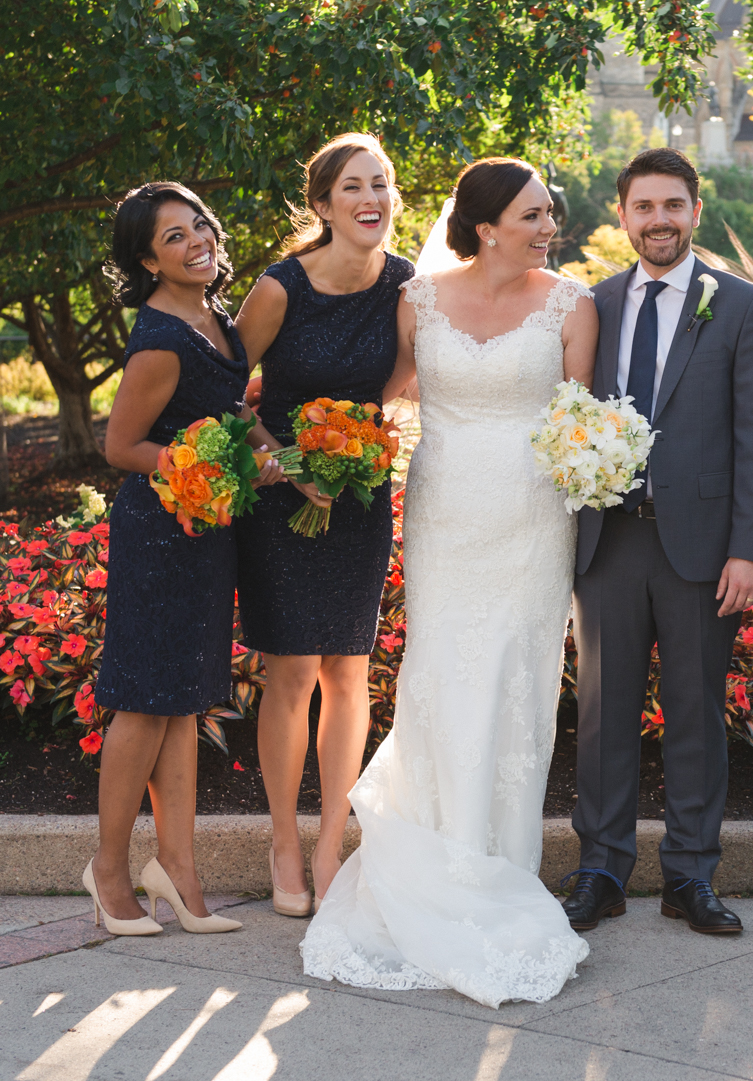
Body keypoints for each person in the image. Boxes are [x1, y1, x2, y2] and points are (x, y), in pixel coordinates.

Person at [300, 158, 597, 1008]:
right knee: (440, 670)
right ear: (486, 222)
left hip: (534, 516)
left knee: (517, 677)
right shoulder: (417, 300)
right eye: (534, 214)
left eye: (551, 213)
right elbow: (389, 391)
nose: (549, 226)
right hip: (443, 513)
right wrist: (312, 433)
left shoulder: (573, 303)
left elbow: (580, 415)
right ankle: (430, 851)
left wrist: (598, 462)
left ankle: (499, 860)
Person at [562, 148, 753, 936]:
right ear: (623, 215)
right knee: (602, 713)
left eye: (673, 205)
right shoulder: (593, 302)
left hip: (703, 548)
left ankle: (691, 873)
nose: (658, 219)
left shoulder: (744, 306)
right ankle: (601, 869)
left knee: (694, 714)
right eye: (643, 206)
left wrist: (750, 548)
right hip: (608, 541)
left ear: (694, 208)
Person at [88, 182, 280, 936]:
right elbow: (120, 446)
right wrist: (205, 467)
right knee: (142, 702)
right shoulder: (160, 338)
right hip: (160, 533)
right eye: (174, 236)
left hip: (208, 528)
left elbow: (232, 412)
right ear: (147, 259)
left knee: (183, 703)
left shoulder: (216, 317)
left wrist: (281, 458)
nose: (197, 239)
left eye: (198, 223)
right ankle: (107, 872)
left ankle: (178, 868)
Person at [235, 133, 415, 915]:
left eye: (380, 184)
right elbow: (225, 394)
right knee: (292, 672)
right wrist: (281, 462)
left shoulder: (406, 284)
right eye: (353, 187)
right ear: (322, 205)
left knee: (348, 671)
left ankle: (332, 840)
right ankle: (282, 837)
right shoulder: (280, 288)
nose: (371, 198)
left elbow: (403, 384)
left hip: (359, 499)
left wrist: (373, 444)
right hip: (281, 498)